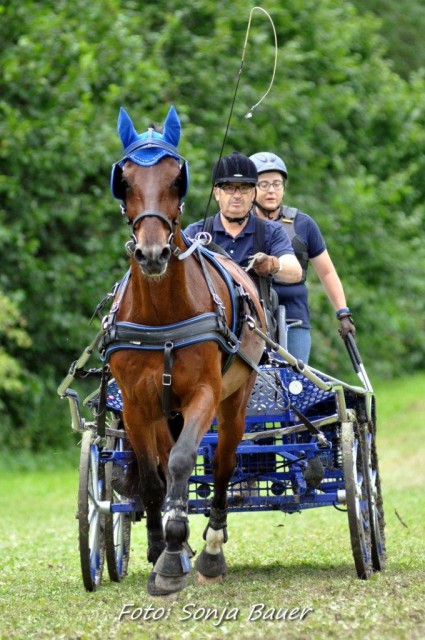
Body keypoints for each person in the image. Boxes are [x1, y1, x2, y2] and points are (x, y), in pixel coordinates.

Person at [249, 151, 355, 363]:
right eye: (264, 184)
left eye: (277, 184)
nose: (271, 191)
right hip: (250, 316)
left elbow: (326, 272)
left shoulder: (303, 224)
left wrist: (343, 313)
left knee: (295, 382)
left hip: (293, 315)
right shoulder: (239, 224)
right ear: (251, 188)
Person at [184, 152, 302, 289]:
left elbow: (295, 272)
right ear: (216, 193)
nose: (237, 195)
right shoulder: (196, 232)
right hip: (209, 309)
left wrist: (272, 264)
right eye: (229, 188)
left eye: (244, 188)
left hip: (256, 308)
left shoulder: (272, 231)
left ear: (253, 193)